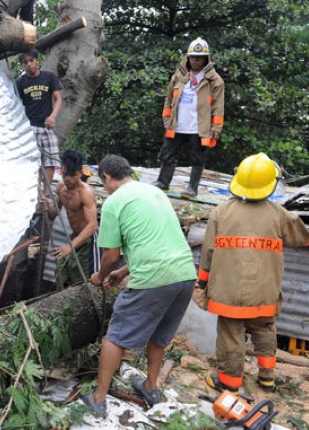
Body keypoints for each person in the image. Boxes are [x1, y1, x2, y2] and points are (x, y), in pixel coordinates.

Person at [80, 154, 196, 417]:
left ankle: (98, 398)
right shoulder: (154, 192)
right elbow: (155, 241)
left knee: (116, 337)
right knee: (159, 336)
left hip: (153, 279)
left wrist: (100, 275)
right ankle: (151, 387)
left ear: (107, 177)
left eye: (104, 181)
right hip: (185, 274)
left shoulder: (113, 203)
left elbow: (110, 254)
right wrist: (122, 272)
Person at [198, 153, 309, 394]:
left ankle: (229, 383)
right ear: (270, 184)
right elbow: (305, 239)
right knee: (265, 330)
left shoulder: (220, 212)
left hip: (228, 293)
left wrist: (203, 283)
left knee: (231, 335)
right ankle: (267, 378)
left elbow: (207, 253)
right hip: (264, 292)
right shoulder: (280, 215)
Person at [155, 37, 225, 197]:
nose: (195, 60)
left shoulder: (215, 81)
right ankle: (162, 183)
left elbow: (218, 107)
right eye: (192, 57)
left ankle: (192, 189)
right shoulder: (178, 77)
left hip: (198, 126)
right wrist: (166, 121)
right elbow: (168, 100)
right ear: (188, 57)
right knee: (167, 154)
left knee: (197, 157)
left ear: (205, 59)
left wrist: (216, 128)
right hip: (176, 124)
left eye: (199, 57)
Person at [43, 149, 98, 288]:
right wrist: (47, 207)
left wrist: (71, 246)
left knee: (81, 281)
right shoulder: (61, 188)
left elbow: (92, 225)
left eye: (72, 175)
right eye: (65, 174)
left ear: (80, 173)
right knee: (60, 275)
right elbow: (53, 213)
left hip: (86, 241)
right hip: (73, 237)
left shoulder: (85, 193)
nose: (68, 179)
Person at [16, 49, 63, 196]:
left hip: (48, 126)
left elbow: (58, 98)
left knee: (50, 161)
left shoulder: (49, 77)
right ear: (22, 65)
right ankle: (36, 194)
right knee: (32, 161)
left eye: (31, 61)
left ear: (37, 60)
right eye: (25, 62)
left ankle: (47, 192)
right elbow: (16, 104)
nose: (29, 65)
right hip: (30, 127)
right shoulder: (20, 82)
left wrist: (53, 116)